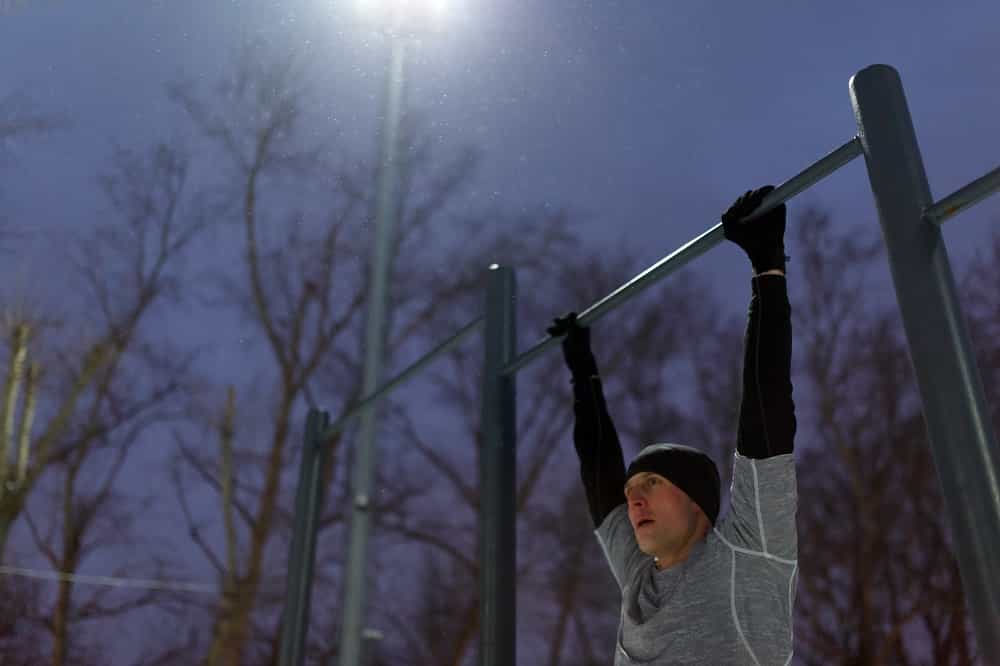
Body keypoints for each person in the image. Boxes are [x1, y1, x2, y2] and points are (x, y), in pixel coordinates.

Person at [547, 186, 798, 665]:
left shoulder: (750, 555)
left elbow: (766, 419)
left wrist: (768, 270)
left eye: (652, 482)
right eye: (633, 489)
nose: (633, 498)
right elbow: (600, 476)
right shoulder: (640, 577)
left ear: (697, 501)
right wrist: (584, 376)